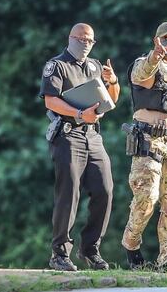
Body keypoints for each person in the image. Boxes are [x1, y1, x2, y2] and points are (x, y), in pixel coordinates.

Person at [39, 23, 120, 271]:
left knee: (105, 190)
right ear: (71, 38)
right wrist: (78, 113)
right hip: (68, 134)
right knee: (69, 193)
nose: (86, 44)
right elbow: (51, 100)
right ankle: (60, 253)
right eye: (82, 39)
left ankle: (90, 249)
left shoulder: (95, 66)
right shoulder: (57, 65)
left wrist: (113, 81)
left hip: (93, 136)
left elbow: (112, 99)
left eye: (90, 41)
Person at [121, 22, 167, 273]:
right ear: (157, 40)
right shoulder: (147, 62)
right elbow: (139, 75)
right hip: (148, 139)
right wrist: (155, 56)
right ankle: (131, 244)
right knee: (147, 197)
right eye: (165, 39)